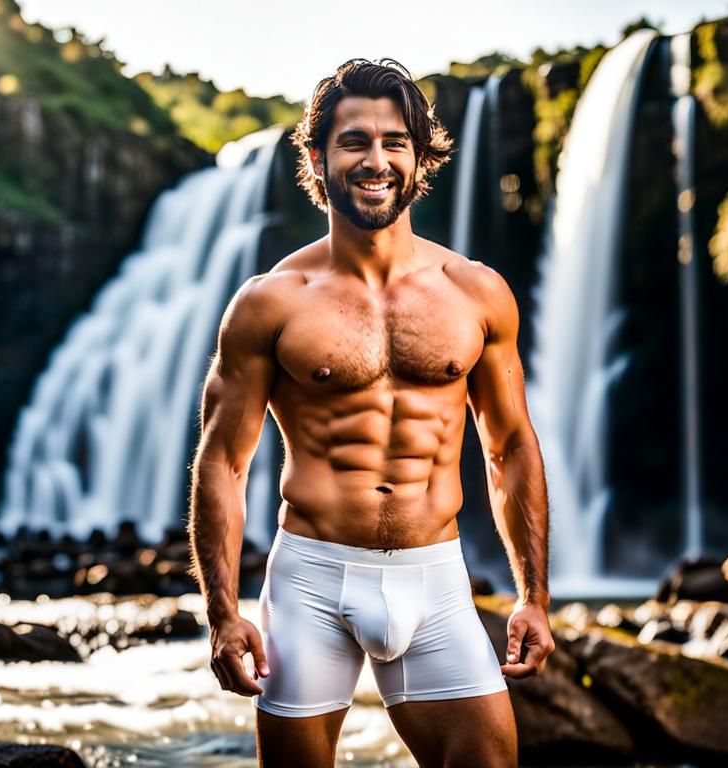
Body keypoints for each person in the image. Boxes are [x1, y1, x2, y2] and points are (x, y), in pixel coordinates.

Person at [188, 58, 552, 767]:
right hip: (311, 581)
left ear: (420, 160)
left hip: (436, 579)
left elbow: (509, 446)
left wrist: (534, 595)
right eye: (354, 141)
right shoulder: (271, 302)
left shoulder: (476, 293)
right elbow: (223, 463)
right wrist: (223, 614)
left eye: (395, 142)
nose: (376, 160)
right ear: (318, 160)